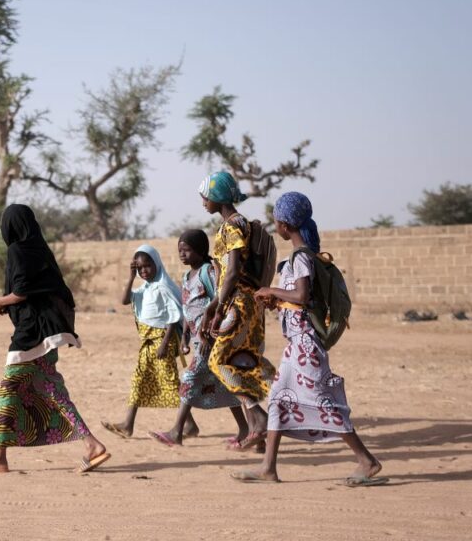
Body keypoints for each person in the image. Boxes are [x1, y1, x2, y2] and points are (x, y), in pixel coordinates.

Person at [233, 192, 385, 486]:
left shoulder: (302, 257)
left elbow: (301, 296)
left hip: (306, 345)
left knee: (323, 403)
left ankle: (367, 460)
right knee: (278, 399)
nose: (275, 225)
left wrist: (272, 291)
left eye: (276, 220)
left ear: (285, 224)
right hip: (296, 346)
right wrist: (278, 301)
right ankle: (268, 468)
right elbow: (300, 301)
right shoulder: (300, 257)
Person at [0, 204, 111, 474]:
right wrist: (3, 305)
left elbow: (21, 292)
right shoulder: (39, 249)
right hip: (48, 332)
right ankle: (91, 444)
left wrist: (1, 300)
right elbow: (36, 291)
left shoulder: (17, 250)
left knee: (8, 390)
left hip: (32, 335)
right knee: (51, 389)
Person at [148, 229, 256, 450]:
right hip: (196, 340)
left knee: (189, 378)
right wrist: (185, 336)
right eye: (180, 250)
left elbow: (220, 299)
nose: (183, 254)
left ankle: (177, 431)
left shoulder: (208, 272)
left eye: (187, 250)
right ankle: (245, 428)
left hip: (210, 340)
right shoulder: (186, 277)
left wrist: (212, 330)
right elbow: (188, 308)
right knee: (223, 384)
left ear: (200, 250)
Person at [198, 171, 276, 450]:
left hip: (239, 304)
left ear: (217, 196)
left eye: (205, 195)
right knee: (244, 360)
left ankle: (260, 416)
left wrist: (218, 308)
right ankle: (259, 438)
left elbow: (231, 274)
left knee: (218, 362)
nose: (203, 200)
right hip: (252, 304)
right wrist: (213, 306)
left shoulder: (230, 227)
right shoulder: (247, 224)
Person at [102, 244, 193, 439]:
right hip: (147, 342)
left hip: (162, 341)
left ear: (157, 264)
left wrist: (164, 344)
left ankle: (189, 425)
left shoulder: (163, 287)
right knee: (140, 379)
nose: (144, 271)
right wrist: (130, 277)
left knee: (170, 382)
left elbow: (173, 317)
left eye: (147, 266)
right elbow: (124, 300)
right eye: (140, 268)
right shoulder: (144, 288)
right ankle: (128, 424)